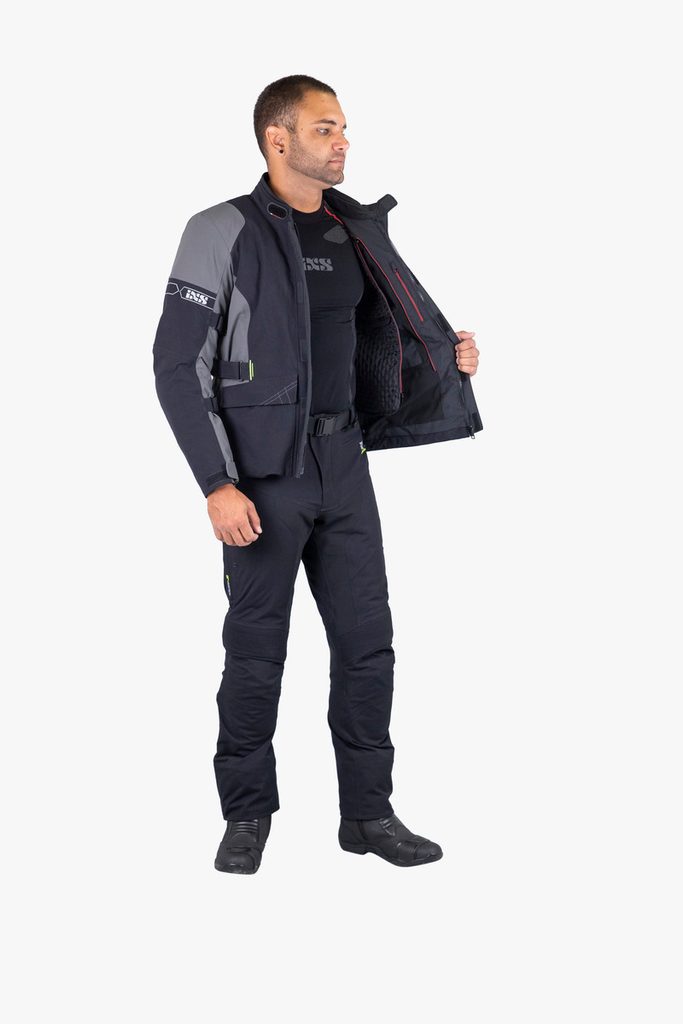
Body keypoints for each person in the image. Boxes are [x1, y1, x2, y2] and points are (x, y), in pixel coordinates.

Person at [152, 75, 482, 874]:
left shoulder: (350, 228)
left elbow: (384, 334)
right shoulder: (220, 229)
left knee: (369, 648)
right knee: (255, 653)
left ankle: (367, 815)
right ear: (278, 139)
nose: (342, 142)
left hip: (345, 464)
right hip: (263, 475)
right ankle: (246, 816)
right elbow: (174, 364)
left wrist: (449, 357)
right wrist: (216, 483)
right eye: (324, 127)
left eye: (343, 128)